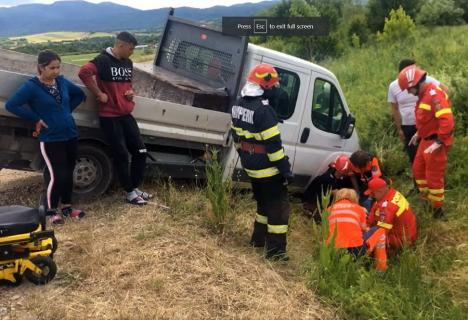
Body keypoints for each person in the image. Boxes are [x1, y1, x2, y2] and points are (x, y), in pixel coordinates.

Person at [6, 50, 86, 224]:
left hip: (70, 134)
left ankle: (67, 208)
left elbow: (80, 94)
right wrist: (36, 119)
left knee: (68, 173)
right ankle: (50, 212)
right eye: (52, 68)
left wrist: (65, 112)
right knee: (57, 175)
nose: (56, 71)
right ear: (41, 68)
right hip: (51, 138)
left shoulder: (62, 82)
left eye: (58, 67)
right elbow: (12, 105)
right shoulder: (31, 87)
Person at [78, 31, 152, 205]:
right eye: (131, 49)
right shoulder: (102, 60)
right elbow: (84, 73)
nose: (132, 52)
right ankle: (129, 193)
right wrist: (99, 93)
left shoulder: (128, 62)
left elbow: (127, 84)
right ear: (121, 45)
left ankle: (133, 188)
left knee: (141, 151)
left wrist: (130, 92)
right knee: (121, 155)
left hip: (126, 114)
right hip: (109, 116)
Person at [231, 63, 293, 261]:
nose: (275, 90)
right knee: (278, 210)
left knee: (263, 206)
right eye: (273, 85)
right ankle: (275, 253)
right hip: (268, 169)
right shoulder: (264, 112)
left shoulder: (238, 105)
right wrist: (285, 170)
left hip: (251, 166)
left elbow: (236, 137)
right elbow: (274, 147)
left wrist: (246, 158)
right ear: (264, 85)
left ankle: (257, 240)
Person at [398, 65, 455, 219]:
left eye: (409, 89)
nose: (409, 92)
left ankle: (437, 210)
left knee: (433, 176)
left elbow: (447, 120)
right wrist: (418, 133)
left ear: (415, 84)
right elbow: (428, 119)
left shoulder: (434, 94)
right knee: (418, 170)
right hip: (425, 140)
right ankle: (426, 200)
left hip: (435, 142)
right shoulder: (423, 96)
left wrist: (439, 141)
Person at [388, 59, 449, 163]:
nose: (417, 71)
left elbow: (445, 91)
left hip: (427, 124)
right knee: (415, 156)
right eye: (414, 69)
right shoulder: (393, 86)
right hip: (409, 125)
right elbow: (395, 109)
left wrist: (437, 109)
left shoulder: (426, 81)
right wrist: (399, 129)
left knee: (432, 157)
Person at [365, 178, 417, 250]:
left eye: (373, 194)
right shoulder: (391, 193)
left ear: (380, 191)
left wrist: (365, 246)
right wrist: (367, 224)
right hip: (408, 232)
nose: (371, 196)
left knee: (372, 235)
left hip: (402, 239)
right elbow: (376, 206)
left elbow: (381, 233)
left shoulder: (387, 207)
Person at [303, 155, 355, 224]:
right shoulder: (326, 179)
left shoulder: (339, 178)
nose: (343, 175)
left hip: (321, 203)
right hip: (315, 203)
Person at [326, 188, 368, 258]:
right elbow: (364, 229)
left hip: (333, 247)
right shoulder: (359, 209)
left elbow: (325, 229)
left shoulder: (329, 209)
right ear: (355, 197)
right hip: (355, 247)